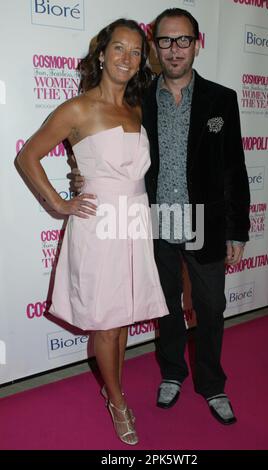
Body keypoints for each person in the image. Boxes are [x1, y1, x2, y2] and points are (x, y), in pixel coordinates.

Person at [73, 8, 251, 426]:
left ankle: (212, 383)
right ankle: (172, 372)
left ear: (197, 43)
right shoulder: (138, 100)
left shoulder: (221, 99)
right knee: (166, 306)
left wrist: (237, 230)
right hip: (152, 220)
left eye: (183, 40)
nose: (174, 50)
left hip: (204, 220)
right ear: (155, 48)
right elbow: (103, 139)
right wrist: (80, 169)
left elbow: (234, 169)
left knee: (210, 307)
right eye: (166, 41)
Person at [17, 18, 169, 446]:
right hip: (98, 225)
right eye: (119, 48)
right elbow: (28, 156)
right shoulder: (77, 109)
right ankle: (118, 402)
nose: (127, 57)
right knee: (105, 322)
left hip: (134, 221)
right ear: (101, 54)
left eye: (136, 51)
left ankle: (111, 385)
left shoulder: (138, 108)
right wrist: (60, 203)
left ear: (143, 60)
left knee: (120, 320)